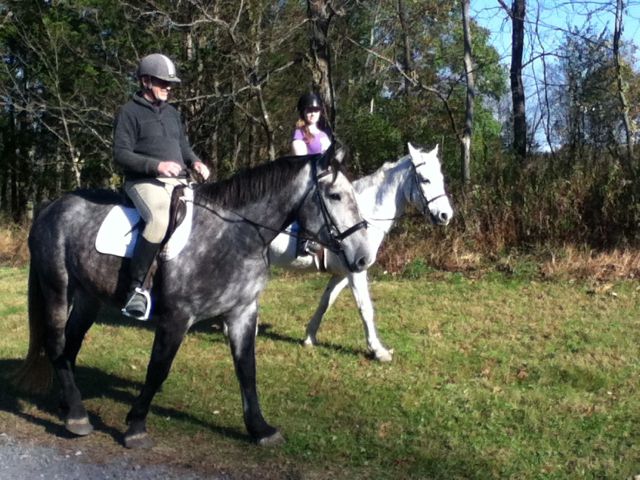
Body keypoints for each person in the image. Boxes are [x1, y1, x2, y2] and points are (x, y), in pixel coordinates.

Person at [113, 53, 210, 320]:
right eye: (162, 82)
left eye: (170, 84)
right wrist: (157, 166)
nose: (168, 88)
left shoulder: (172, 114)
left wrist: (196, 162)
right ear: (145, 81)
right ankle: (135, 290)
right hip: (143, 181)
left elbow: (183, 147)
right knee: (158, 219)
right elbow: (120, 154)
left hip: (178, 181)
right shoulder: (129, 112)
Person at [290, 93, 332, 256]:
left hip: (324, 177)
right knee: (310, 200)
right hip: (307, 178)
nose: (313, 113)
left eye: (316, 110)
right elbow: (301, 159)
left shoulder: (324, 135)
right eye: (309, 110)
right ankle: (305, 239)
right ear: (303, 112)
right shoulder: (300, 133)